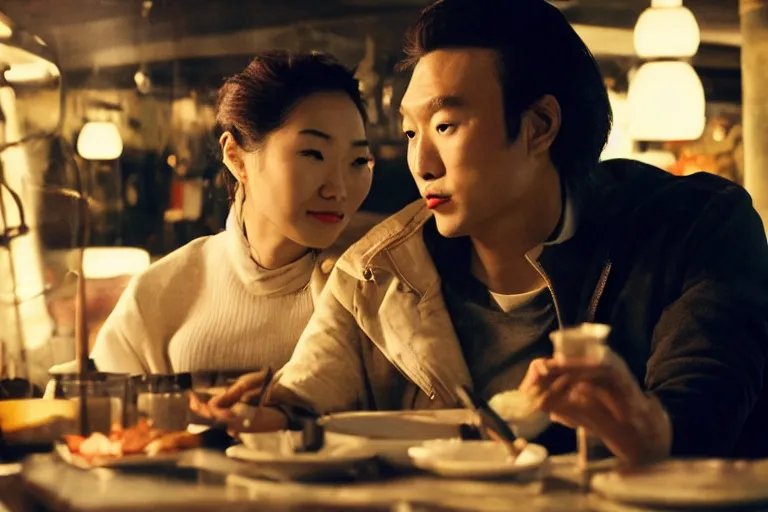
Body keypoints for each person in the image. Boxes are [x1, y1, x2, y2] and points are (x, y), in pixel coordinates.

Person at [197, 0, 768, 464]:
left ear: (540, 125)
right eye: (409, 131)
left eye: (445, 125)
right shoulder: (379, 271)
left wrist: (645, 427)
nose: (421, 161)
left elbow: (705, 407)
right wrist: (262, 419)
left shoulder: (695, 226)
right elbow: (304, 404)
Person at [86, 50, 374, 374]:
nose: (338, 189)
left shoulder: (373, 287)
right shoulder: (161, 294)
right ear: (236, 158)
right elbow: (103, 414)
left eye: (358, 161)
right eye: (313, 154)